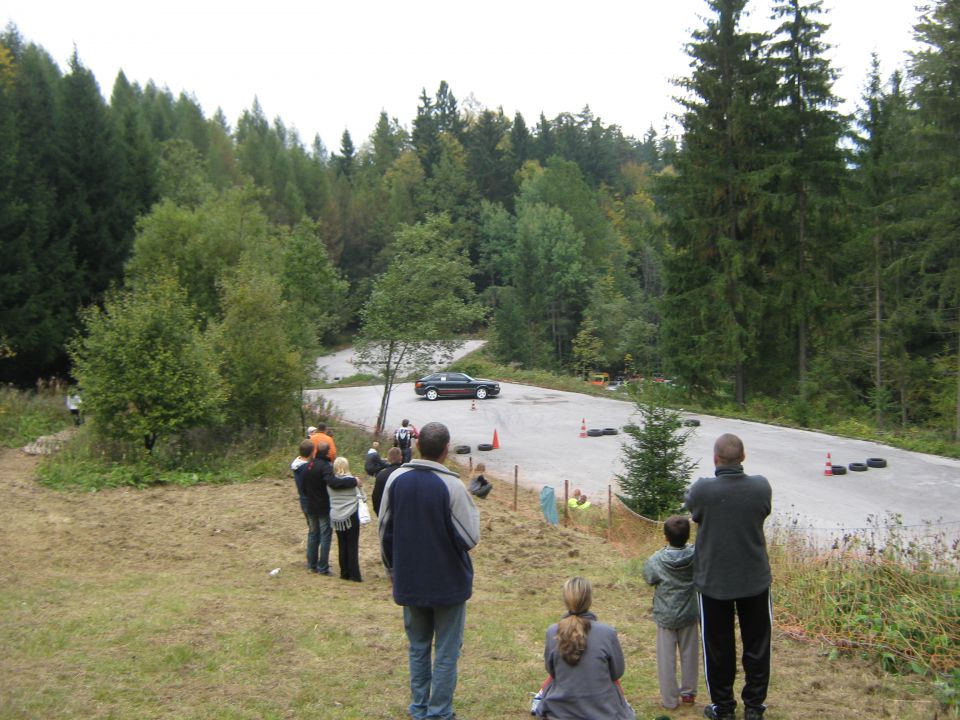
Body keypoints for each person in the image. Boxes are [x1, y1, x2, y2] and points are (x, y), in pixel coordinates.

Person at [379, 421, 480, 720]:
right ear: (446, 449)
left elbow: (385, 529)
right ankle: (439, 712)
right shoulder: (451, 486)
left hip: (409, 578)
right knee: (446, 653)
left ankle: (419, 708)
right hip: (447, 582)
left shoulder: (396, 480)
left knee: (418, 647)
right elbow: (470, 538)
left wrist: (391, 571)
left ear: (418, 445)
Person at [685, 433, 772, 720]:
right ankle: (754, 709)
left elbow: (694, 511)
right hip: (754, 580)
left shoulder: (702, 491)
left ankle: (723, 708)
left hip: (713, 583)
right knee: (757, 646)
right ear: (743, 458)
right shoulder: (761, 487)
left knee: (718, 648)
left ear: (715, 459)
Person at [535, 576, 636, 720]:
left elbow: (552, 671)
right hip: (604, 711)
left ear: (566, 601)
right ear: (589, 600)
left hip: (559, 711)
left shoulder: (552, 632)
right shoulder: (607, 633)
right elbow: (616, 673)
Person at [643, 515, 699, 710]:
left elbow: (649, 578)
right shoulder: (696, 555)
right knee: (690, 655)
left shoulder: (656, 559)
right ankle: (689, 694)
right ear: (688, 535)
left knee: (666, 659)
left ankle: (669, 700)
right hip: (689, 613)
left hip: (665, 614)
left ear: (665, 537)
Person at [297, 441, 336, 576]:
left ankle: (311, 564)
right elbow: (331, 482)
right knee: (325, 536)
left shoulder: (308, 466)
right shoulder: (325, 467)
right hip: (323, 506)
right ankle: (323, 567)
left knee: (313, 534)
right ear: (326, 452)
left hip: (311, 505)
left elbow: (302, 487)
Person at [330, 456, 363, 582]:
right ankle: (355, 574)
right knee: (352, 545)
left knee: (341, 544)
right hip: (351, 515)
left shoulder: (331, 482)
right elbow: (362, 496)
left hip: (337, 516)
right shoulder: (352, 481)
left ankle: (344, 572)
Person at [372, 446, 403, 517]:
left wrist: (380, 514)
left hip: (386, 516)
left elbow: (375, 497)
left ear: (388, 458)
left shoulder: (381, 475)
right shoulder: (406, 474)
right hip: (403, 516)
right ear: (401, 457)